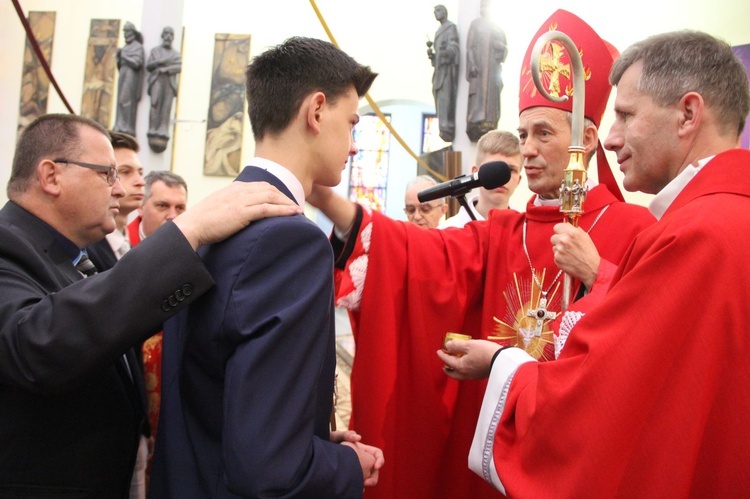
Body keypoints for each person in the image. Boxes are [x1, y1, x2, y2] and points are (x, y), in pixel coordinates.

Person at [307, 10, 655, 498]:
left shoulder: (636, 229)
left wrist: (599, 273)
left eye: (544, 134)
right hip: (496, 445)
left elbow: (655, 338)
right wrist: (323, 196)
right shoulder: (502, 233)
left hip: (580, 454)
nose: (527, 150)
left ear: (587, 140)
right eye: (524, 133)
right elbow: (416, 256)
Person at [440, 30, 750, 496]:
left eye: (625, 114)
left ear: (688, 114)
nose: (611, 137)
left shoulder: (696, 235)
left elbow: (603, 400)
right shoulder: (727, 216)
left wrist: (502, 362)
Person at [0, 113, 301, 497]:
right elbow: (39, 344)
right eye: (108, 174)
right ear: (51, 176)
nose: (121, 190)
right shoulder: (7, 246)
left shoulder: (68, 255)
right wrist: (187, 232)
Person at [149, 36, 384, 498]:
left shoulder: (214, 216)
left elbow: (216, 395)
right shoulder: (290, 240)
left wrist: (311, 438)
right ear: (316, 112)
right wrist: (346, 465)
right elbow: (270, 469)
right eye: (352, 123)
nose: (354, 146)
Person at [85, 130, 150, 498]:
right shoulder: (91, 249)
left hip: (132, 419)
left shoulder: (123, 244)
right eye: (122, 172)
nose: (137, 182)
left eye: (139, 171)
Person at [439, 130, 522, 228]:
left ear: (519, 180)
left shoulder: (526, 231)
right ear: (476, 173)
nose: (501, 178)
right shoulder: (449, 230)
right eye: (492, 169)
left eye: (511, 170)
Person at [465, 0, 508, 141]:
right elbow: (470, 47)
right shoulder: (475, 25)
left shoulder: (497, 28)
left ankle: (490, 120)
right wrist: (472, 63)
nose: (484, 8)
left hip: (492, 70)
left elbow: (504, 50)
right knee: (478, 96)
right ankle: (477, 120)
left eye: (487, 6)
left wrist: (501, 47)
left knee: (491, 96)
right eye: (482, 6)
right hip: (479, 69)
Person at [427, 4, 460, 142]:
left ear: (444, 12)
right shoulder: (438, 31)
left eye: (438, 10)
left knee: (446, 98)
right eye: (434, 11)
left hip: (447, 71)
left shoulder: (450, 28)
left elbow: (454, 48)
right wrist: (433, 55)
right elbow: (437, 59)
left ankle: (447, 126)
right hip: (439, 71)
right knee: (439, 98)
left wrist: (445, 52)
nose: (436, 13)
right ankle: (443, 125)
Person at [128, 171, 188, 245]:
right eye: (162, 206)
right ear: (141, 207)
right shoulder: (121, 247)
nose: (173, 216)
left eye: (180, 208)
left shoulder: (194, 249)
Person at [146, 27, 182, 152]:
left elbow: (179, 66)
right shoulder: (155, 51)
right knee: (155, 104)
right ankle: (153, 129)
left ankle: (162, 129)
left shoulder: (175, 54)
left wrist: (166, 69)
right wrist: (160, 62)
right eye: (166, 34)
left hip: (169, 83)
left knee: (166, 107)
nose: (168, 36)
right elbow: (149, 65)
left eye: (171, 34)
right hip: (157, 81)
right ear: (162, 35)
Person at [113, 22, 145, 136]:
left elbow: (137, 63)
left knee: (125, 100)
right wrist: (118, 58)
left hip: (131, 75)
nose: (125, 34)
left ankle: (126, 126)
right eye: (124, 31)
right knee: (120, 100)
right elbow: (120, 63)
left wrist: (124, 56)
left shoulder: (137, 46)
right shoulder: (125, 47)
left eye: (127, 31)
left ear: (132, 32)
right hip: (123, 73)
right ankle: (120, 124)